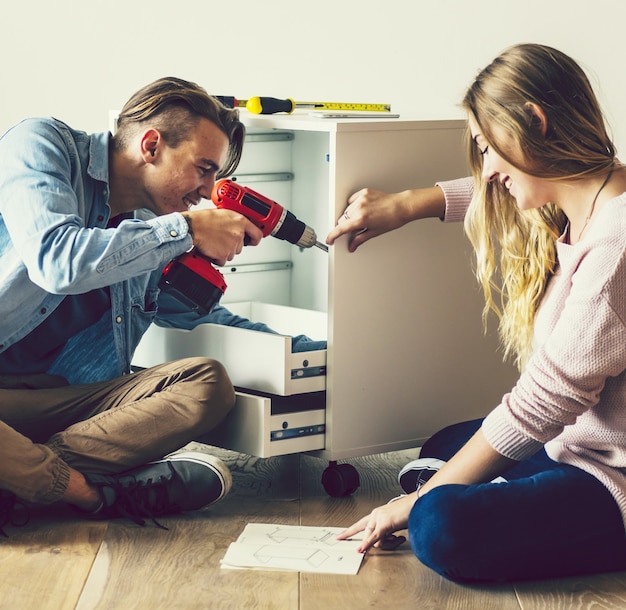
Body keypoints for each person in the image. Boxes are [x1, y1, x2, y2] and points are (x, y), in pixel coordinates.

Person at [328, 43, 626, 583]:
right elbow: (485, 194)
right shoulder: (585, 193)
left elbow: (546, 399)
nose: (487, 170)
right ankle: (504, 495)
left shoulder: (617, 242)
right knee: (443, 445)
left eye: (488, 148)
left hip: (613, 475)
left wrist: (416, 502)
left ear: (534, 122)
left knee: (439, 523)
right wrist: (406, 205)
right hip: (576, 444)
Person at [0, 77, 323, 534]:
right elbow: (58, 260)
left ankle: (23, 476)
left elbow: (203, 318)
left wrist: (315, 351)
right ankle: (86, 492)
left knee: (206, 384)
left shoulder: (152, 226)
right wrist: (187, 229)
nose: (210, 191)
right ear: (151, 145)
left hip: (58, 400)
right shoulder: (40, 145)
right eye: (204, 168)